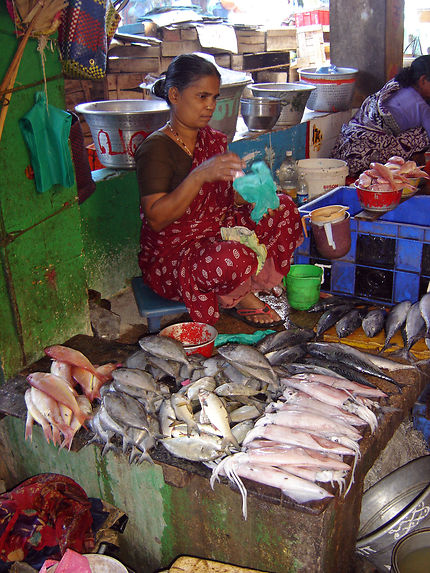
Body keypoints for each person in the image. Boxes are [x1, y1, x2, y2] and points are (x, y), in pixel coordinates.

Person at [135, 54, 303, 328]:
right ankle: (240, 297)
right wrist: (200, 175)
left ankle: (252, 284)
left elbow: (226, 197)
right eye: (202, 97)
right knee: (233, 258)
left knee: (283, 207)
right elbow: (156, 218)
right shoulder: (155, 149)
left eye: (214, 97)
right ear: (175, 95)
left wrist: (252, 195)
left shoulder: (211, 139)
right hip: (175, 258)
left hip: (218, 232)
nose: (210, 106)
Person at [331, 55, 430, 177]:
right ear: (423, 80)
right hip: (362, 160)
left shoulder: (395, 85)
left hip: (343, 151)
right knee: (422, 135)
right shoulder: (420, 106)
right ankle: (420, 179)